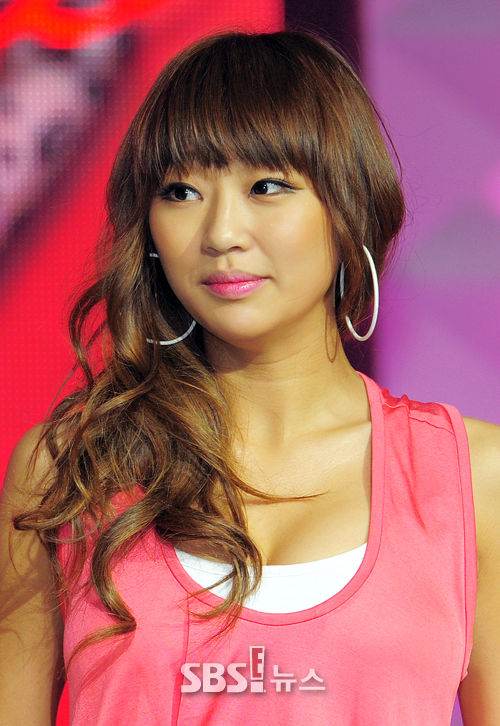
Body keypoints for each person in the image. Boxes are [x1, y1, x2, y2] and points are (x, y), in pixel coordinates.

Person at [0, 29, 499, 726]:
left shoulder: (473, 478)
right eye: (181, 192)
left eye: (266, 186)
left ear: (348, 204)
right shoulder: (68, 469)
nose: (221, 233)